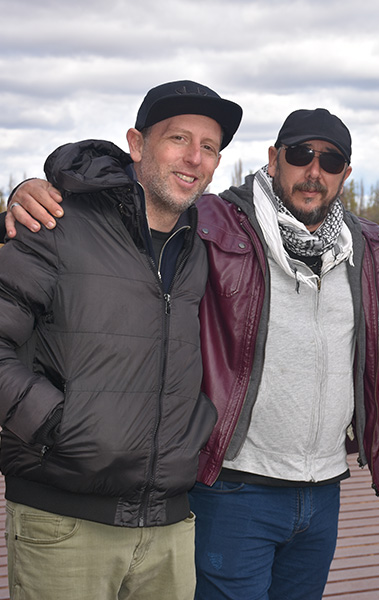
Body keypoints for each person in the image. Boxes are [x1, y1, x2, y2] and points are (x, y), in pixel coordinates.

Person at [6, 107, 379, 600]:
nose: (314, 171)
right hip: (234, 486)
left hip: (324, 487)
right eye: (300, 154)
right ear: (273, 159)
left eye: (331, 161)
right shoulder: (213, 222)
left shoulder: (370, 248)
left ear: (346, 175)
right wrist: (25, 196)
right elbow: (138, 197)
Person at [0, 80, 242, 600]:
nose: (194, 158)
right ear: (136, 144)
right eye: (179, 138)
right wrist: (55, 427)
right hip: (64, 521)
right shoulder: (54, 223)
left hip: (170, 526)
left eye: (209, 147)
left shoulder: (200, 247)